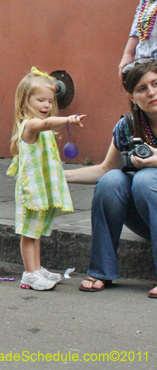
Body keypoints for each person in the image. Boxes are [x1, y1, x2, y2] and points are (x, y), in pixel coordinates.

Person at [65, 59, 157, 296]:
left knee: (145, 179)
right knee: (111, 181)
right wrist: (58, 176)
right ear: (132, 98)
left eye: (156, 84)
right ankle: (101, 270)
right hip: (148, 216)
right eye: (142, 89)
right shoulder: (128, 127)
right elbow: (105, 169)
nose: (152, 92)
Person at [7, 67, 84, 290]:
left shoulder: (43, 129)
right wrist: (68, 119)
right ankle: (29, 273)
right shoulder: (30, 126)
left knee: (36, 232)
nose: (47, 106)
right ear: (25, 101)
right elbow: (46, 123)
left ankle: (37, 268)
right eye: (41, 100)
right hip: (30, 190)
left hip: (40, 189)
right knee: (28, 233)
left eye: (50, 101)